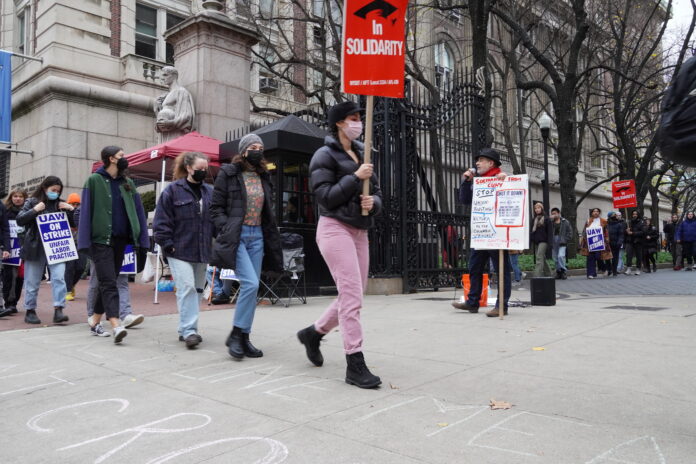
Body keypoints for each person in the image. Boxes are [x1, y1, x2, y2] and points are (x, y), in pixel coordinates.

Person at [295, 101, 383, 389]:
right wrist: (354, 178)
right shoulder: (324, 154)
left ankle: (314, 333)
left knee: (354, 294)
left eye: (360, 118)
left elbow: (377, 192)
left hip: (360, 230)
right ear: (339, 123)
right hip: (334, 228)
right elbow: (325, 197)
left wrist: (375, 202)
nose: (358, 123)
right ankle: (354, 365)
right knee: (352, 298)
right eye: (353, 119)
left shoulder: (361, 153)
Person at [210, 133, 282, 360]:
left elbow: (267, 209)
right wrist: (226, 228)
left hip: (258, 236)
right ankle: (236, 333)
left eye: (260, 146)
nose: (257, 149)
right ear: (243, 151)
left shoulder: (264, 175)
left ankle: (244, 338)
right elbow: (215, 208)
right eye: (252, 146)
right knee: (250, 283)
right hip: (238, 235)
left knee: (252, 288)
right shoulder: (228, 173)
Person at [77, 146, 149, 342]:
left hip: (121, 241)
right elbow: (85, 213)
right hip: (100, 240)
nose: (125, 158)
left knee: (106, 282)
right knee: (109, 283)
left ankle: (94, 321)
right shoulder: (94, 181)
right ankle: (116, 324)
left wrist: (142, 239)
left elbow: (138, 212)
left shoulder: (128, 183)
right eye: (121, 156)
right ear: (111, 159)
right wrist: (85, 242)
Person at [154, 152, 213, 349]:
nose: (203, 172)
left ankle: (187, 329)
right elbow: (161, 220)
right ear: (188, 168)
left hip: (202, 249)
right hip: (178, 248)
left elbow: (215, 219)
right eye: (199, 169)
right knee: (187, 287)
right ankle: (189, 331)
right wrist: (167, 243)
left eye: (205, 169)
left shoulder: (209, 192)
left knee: (196, 290)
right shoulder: (172, 191)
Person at [451, 148, 511, 317]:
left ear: (491, 163)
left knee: (501, 270)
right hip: (481, 232)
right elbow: (464, 200)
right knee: (475, 267)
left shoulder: (501, 176)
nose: (477, 163)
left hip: (497, 233)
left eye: (481, 160)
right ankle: (472, 302)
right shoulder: (479, 181)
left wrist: (505, 180)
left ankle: (501, 306)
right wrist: (466, 182)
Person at [16, 177, 75, 324]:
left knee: (59, 278)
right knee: (32, 281)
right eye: (53, 190)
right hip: (35, 248)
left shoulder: (61, 204)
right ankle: (30, 310)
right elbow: (20, 219)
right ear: (44, 188)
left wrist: (71, 209)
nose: (55, 193)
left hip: (57, 248)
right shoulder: (33, 202)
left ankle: (59, 309)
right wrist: (35, 210)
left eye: (58, 191)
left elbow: (74, 223)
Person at [2, 188, 27, 315]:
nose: (18, 198)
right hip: (10, 247)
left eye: (20, 196)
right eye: (15, 196)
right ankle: (9, 302)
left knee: (19, 277)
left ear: (24, 198)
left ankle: (14, 302)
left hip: (24, 249)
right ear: (11, 198)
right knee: (9, 276)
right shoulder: (5, 211)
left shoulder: (28, 212)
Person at [64, 193, 86, 302]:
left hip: (81, 243)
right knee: (70, 267)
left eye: (77, 204)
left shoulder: (83, 212)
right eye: (73, 204)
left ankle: (70, 285)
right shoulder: (65, 214)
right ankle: (68, 290)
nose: (75, 206)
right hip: (69, 244)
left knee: (81, 267)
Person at [579, 208, 612, 279]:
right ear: (592, 213)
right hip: (590, 243)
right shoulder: (588, 221)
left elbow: (606, 231)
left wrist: (606, 240)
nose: (596, 213)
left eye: (597, 211)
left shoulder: (603, 221)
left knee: (598, 256)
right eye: (594, 211)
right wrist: (583, 240)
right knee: (590, 258)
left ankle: (604, 268)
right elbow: (585, 231)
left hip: (600, 242)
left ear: (599, 213)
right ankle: (591, 273)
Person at [550, 207, 572, 279]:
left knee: (561, 256)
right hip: (554, 241)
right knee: (555, 258)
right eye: (552, 214)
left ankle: (563, 271)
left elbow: (570, 232)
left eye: (555, 213)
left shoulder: (565, 221)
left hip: (562, 241)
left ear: (559, 213)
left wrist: (565, 239)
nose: (554, 215)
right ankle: (558, 272)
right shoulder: (551, 222)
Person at [531, 202, 552, 277]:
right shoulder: (534, 219)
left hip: (544, 241)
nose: (537, 210)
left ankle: (536, 276)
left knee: (539, 258)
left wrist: (550, 243)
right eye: (535, 208)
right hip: (536, 241)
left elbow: (550, 232)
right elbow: (532, 231)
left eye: (538, 208)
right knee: (542, 257)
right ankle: (549, 273)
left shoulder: (547, 219)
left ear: (542, 209)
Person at [624, 210, 646, 275]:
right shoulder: (629, 222)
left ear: (638, 215)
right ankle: (629, 268)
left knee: (638, 256)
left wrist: (633, 233)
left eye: (636, 214)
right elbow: (625, 232)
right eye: (633, 214)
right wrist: (626, 231)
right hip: (630, 241)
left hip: (638, 241)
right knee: (628, 255)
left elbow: (643, 232)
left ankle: (638, 269)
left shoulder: (642, 222)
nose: (634, 215)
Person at [606, 212, 625, 277]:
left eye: (615, 215)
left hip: (615, 243)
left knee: (615, 258)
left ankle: (614, 271)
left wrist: (619, 242)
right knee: (607, 258)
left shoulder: (619, 224)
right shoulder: (606, 224)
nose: (615, 216)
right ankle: (609, 269)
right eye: (613, 215)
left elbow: (621, 234)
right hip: (607, 244)